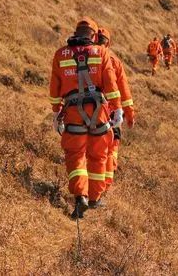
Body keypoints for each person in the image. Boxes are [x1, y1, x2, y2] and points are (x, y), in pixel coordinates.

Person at [48, 18, 122, 219]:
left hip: (72, 113)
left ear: (76, 31)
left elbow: (55, 89)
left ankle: (80, 196)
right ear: (93, 35)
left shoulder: (60, 55)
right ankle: (95, 198)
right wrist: (118, 110)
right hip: (99, 112)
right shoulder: (102, 53)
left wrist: (56, 111)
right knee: (98, 156)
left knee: (76, 156)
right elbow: (111, 85)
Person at [96, 28, 136, 193]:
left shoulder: (84, 56)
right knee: (111, 149)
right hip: (111, 114)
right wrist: (129, 114)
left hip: (87, 111)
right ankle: (104, 186)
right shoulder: (114, 61)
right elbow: (124, 91)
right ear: (108, 43)